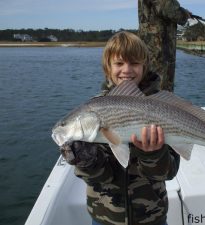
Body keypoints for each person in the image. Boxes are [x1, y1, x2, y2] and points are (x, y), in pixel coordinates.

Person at [60, 31, 180, 225]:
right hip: (105, 217)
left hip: (152, 218)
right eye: (119, 63)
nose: (127, 70)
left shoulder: (162, 107)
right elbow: (100, 178)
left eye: (134, 63)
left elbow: (169, 172)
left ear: (144, 66)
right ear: (108, 67)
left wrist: (153, 154)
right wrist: (86, 160)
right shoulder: (93, 110)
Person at [138, 0, 191, 91]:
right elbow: (171, 10)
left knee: (148, 79)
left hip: (150, 43)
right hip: (159, 45)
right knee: (160, 84)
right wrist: (185, 14)